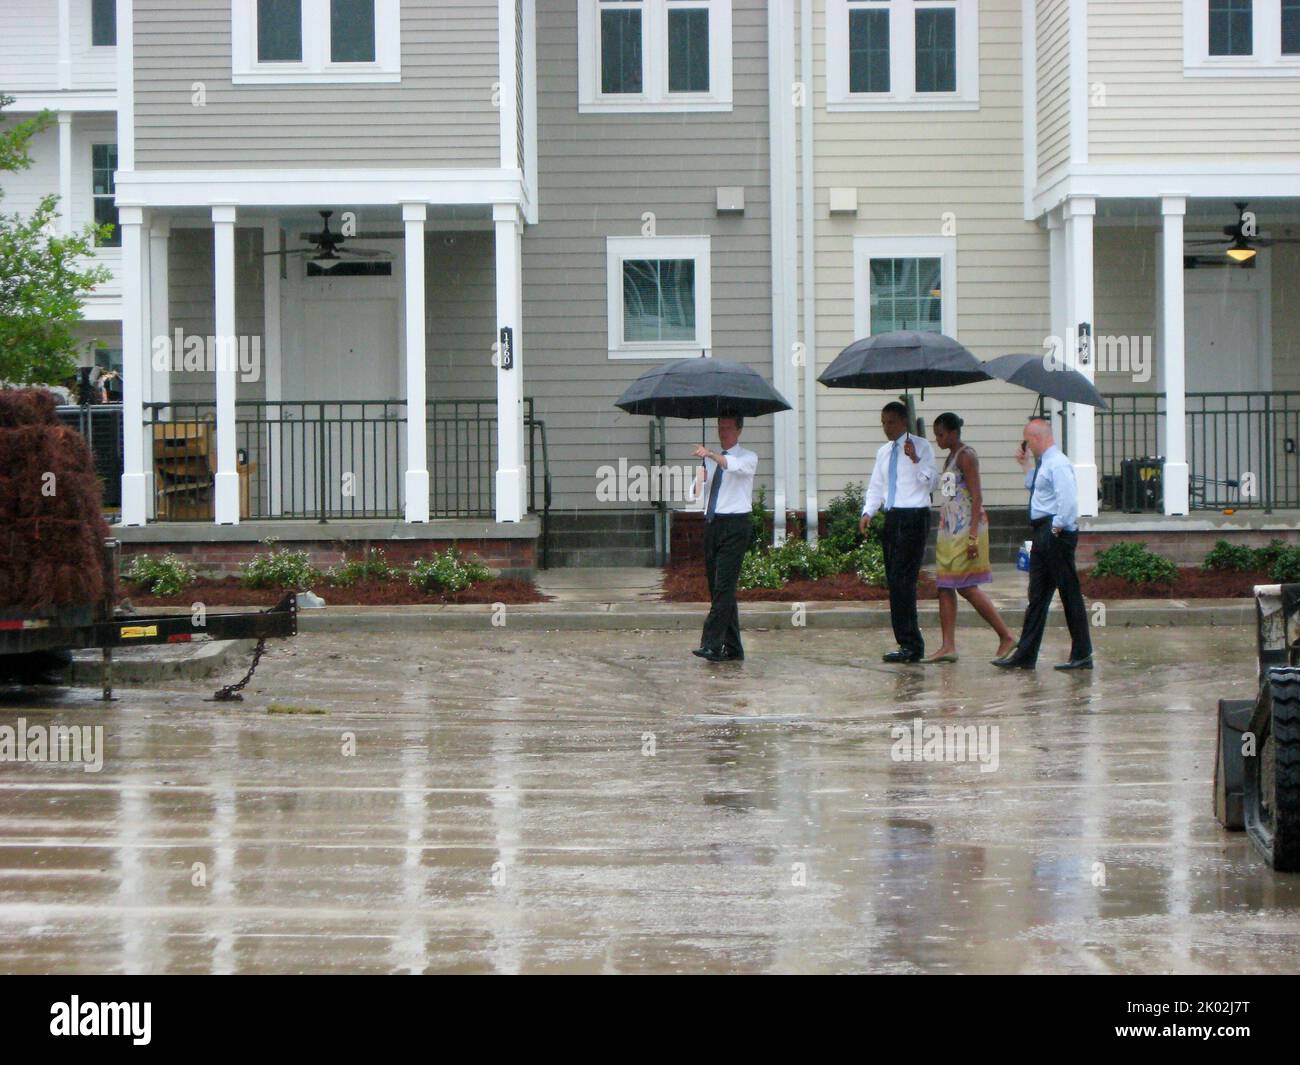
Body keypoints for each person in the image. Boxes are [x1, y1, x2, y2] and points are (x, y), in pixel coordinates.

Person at [994, 416, 1094, 671]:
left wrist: (1057, 528)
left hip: (1054, 532)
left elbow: (1068, 501)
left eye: (1028, 441)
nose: (1027, 445)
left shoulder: (1058, 463)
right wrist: (1026, 466)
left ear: (1037, 438)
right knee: (1037, 595)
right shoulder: (1044, 463)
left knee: (1068, 591)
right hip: (1042, 531)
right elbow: (1038, 491)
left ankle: (1082, 653)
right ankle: (1026, 654)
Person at [924, 412, 1017, 663]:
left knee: (965, 585)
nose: (938, 439)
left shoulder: (967, 456)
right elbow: (947, 492)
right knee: (944, 585)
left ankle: (1005, 635)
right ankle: (948, 646)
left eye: (941, 434)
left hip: (966, 527)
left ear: (953, 433)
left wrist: (973, 535)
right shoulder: (950, 458)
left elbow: (977, 497)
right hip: (949, 528)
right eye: (936, 435)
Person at [859, 401, 937, 663]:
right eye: (883, 422)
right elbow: (877, 485)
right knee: (894, 580)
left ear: (904, 422)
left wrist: (915, 459)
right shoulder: (884, 452)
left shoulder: (921, 446)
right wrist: (868, 511)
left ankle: (913, 644)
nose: (886, 427)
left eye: (891, 422)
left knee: (904, 579)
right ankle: (904, 640)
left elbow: (931, 482)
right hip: (893, 515)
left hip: (914, 515)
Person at [691, 414, 758, 662]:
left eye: (728, 428)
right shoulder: (710, 461)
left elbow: (731, 465)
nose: (723, 432)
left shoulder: (748, 457)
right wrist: (701, 478)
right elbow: (696, 493)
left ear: (739, 430)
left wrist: (711, 456)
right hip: (713, 524)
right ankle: (733, 647)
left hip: (736, 524)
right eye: (720, 428)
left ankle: (711, 644)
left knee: (724, 587)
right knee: (718, 588)